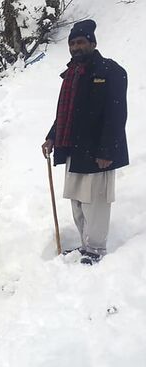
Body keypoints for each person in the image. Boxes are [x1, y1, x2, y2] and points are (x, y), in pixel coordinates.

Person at [41, 20, 128, 265]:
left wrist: (107, 150)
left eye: (80, 42)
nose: (76, 47)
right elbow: (65, 113)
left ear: (93, 43)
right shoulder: (71, 74)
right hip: (73, 148)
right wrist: (51, 136)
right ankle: (85, 244)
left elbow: (116, 114)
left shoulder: (110, 71)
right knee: (78, 201)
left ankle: (96, 249)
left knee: (95, 202)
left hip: (97, 151)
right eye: (72, 43)